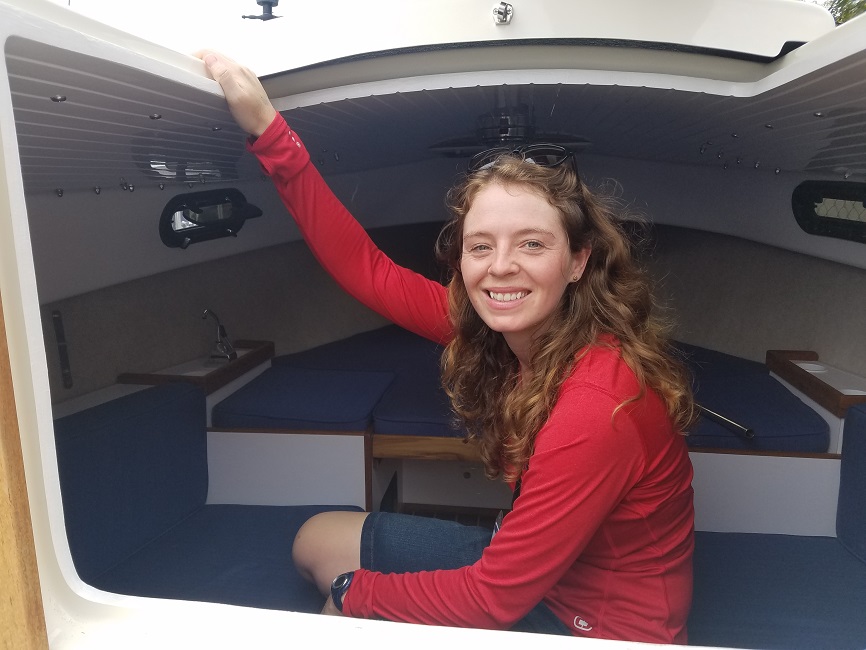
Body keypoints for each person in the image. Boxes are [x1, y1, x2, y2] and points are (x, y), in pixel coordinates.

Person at [197, 50, 697, 644]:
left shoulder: (599, 405)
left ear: (577, 261)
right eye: (481, 246)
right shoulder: (498, 327)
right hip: (542, 577)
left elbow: (492, 601)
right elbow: (366, 270)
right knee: (315, 542)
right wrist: (268, 130)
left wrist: (354, 594)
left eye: (532, 244)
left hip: (601, 626)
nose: (501, 267)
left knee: (341, 601)